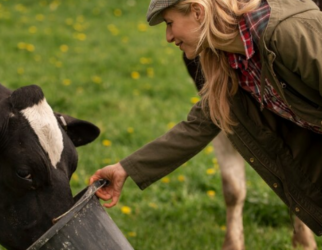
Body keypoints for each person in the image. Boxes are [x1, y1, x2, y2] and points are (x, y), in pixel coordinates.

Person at [90, 0, 322, 234]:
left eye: (170, 23)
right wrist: (125, 168)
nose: (168, 37)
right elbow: (198, 125)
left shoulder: (286, 33)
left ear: (198, 11)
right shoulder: (229, 61)